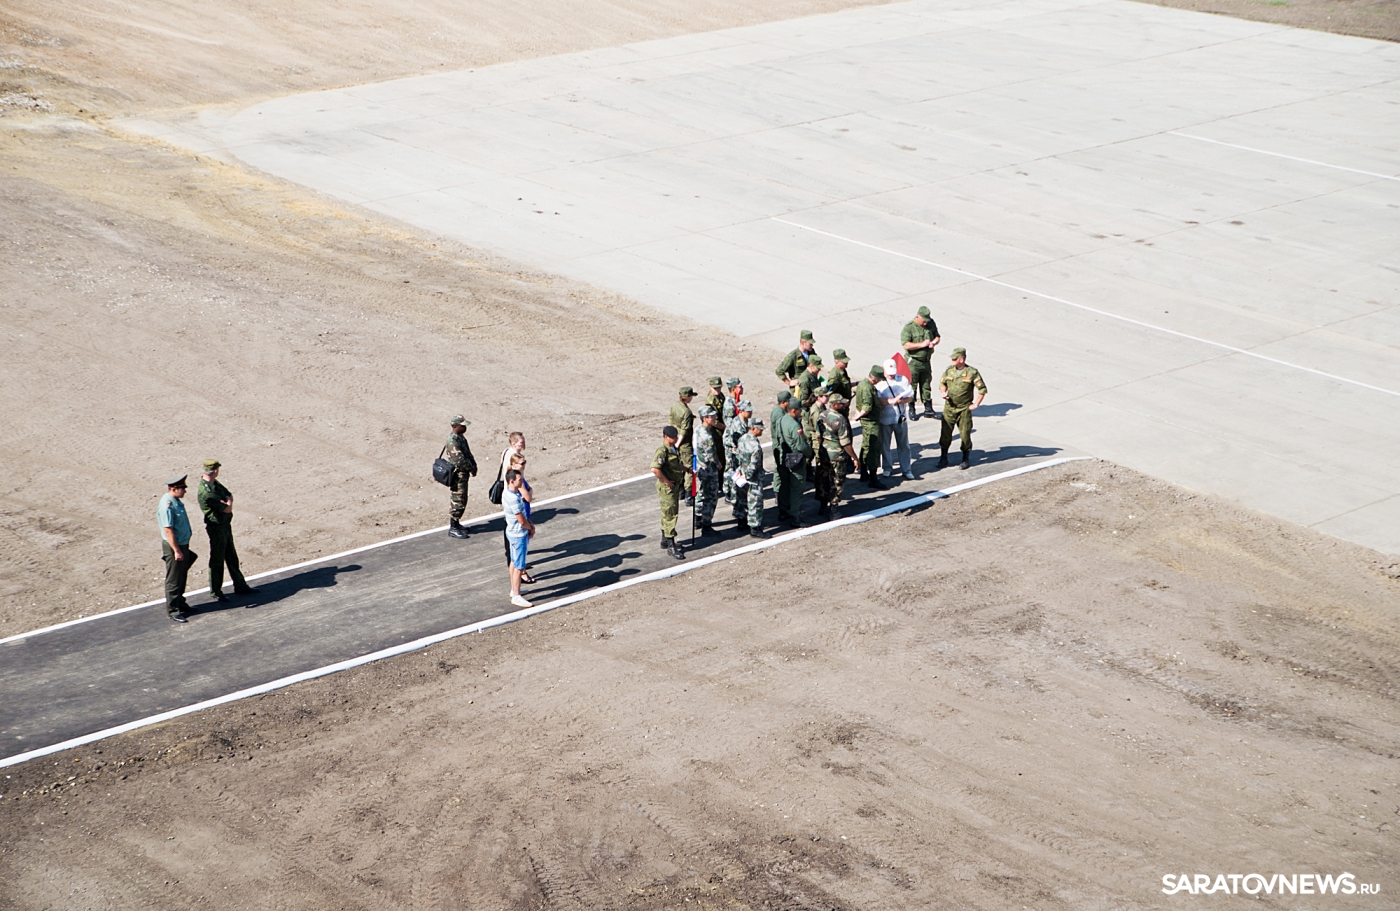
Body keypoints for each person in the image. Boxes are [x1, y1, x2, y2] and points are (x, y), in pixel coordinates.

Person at [197, 459, 257, 603]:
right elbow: (227, 507)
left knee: (231, 556)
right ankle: (216, 591)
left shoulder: (214, 484)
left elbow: (228, 494)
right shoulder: (207, 492)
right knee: (217, 560)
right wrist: (227, 502)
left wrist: (227, 501)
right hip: (216, 527)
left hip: (224, 525)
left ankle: (240, 585)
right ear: (215, 470)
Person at [939, 347, 988, 470]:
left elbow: (982, 389)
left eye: (955, 359)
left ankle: (965, 458)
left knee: (965, 435)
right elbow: (942, 383)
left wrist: (976, 404)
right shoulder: (949, 371)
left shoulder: (972, 372)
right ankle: (943, 457)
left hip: (964, 409)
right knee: (945, 434)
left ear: (961, 359)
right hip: (949, 408)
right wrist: (943, 392)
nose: (952, 361)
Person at [158, 474, 197, 623]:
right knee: (174, 579)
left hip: (182, 544)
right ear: (174, 489)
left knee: (181, 575)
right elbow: (168, 530)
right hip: (175, 546)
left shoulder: (175, 501)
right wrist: (176, 550)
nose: (185, 491)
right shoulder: (167, 505)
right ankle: (173, 610)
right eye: (183, 488)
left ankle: (180, 603)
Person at [774, 397, 813, 527]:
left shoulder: (781, 420)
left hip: (783, 457)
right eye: (799, 410)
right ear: (793, 410)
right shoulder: (795, 425)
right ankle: (795, 516)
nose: (801, 412)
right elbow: (801, 445)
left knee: (784, 486)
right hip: (795, 459)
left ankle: (782, 511)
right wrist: (810, 453)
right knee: (797, 488)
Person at [819, 393, 858, 518]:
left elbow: (818, 435)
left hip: (824, 453)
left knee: (825, 480)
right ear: (834, 405)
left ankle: (823, 506)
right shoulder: (840, 419)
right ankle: (833, 510)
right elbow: (845, 443)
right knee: (837, 482)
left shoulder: (822, 415)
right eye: (841, 403)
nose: (844, 405)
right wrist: (855, 458)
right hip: (837, 455)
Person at [501, 469, 536, 608]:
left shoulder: (508, 493)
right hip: (518, 534)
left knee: (513, 561)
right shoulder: (514, 499)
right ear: (512, 481)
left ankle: (514, 590)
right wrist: (530, 527)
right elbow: (521, 520)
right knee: (519, 566)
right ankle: (516, 595)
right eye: (519, 480)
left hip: (512, 532)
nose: (522, 482)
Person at [651, 425, 686, 559]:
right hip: (668, 489)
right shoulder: (662, 450)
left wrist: (687, 470)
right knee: (671, 515)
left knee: (667, 513)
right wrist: (666, 481)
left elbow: (676, 464)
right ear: (666, 437)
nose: (676, 439)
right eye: (673, 437)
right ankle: (671, 545)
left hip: (674, 486)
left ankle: (665, 539)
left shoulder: (672, 448)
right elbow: (655, 469)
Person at [900, 306, 941, 420]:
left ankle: (928, 409)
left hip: (926, 361)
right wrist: (922, 344)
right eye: (923, 321)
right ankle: (911, 408)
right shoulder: (909, 328)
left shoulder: (930, 323)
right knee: (912, 385)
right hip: (913, 362)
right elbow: (905, 345)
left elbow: (937, 336)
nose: (925, 324)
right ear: (917, 316)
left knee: (926, 384)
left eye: (926, 321)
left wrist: (933, 342)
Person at [877, 360, 916, 480]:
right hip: (885, 419)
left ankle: (906, 469)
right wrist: (891, 401)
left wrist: (901, 401)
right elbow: (878, 400)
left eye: (893, 373)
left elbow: (910, 396)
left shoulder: (902, 379)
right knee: (885, 445)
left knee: (904, 445)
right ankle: (887, 468)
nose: (891, 375)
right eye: (889, 373)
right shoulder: (879, 382)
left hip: (900, 418)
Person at [851, 366, 887, 489]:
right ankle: (873, 477)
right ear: (875, 378)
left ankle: (864, 473)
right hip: (871, 423)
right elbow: (867, 407)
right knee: (874, 449)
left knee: (865, 446)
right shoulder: (867, 388)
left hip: (868, 422)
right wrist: (857, 416)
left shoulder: (862, 384)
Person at [733, 418, 770, 538]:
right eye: (760, 429)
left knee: (742, 500)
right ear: (753, 428)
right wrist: (748, 476)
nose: (762, 431)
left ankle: (741, 522)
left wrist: (741, 473)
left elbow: (738, 457)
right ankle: (755, 528)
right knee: (755, 503)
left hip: (741, 476)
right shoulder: (755, 446)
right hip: (753, 478)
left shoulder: (742, 439)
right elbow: (754, 465)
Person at [445, 415, 479, 539]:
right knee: (458, 500)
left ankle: (457, 524)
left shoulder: (460, 438)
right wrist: (470, 467)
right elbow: (459, 460)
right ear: (455, 426)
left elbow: (467, 453)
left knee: (462, 499)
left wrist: (473, 465)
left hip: (463, 474)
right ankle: (453, 527)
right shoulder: (453, 441)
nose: (465, 427)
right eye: (462, 425)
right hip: (458, 475)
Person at [693, 405, 723, 536]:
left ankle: (698, 518)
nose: (715, 418)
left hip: (700, 467)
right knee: (711, 497)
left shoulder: (698, 430)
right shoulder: (707, 436)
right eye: (712, 416)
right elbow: (711, 454)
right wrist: (718, 464)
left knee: (701, 493)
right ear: (705, 418)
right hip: (709, 469)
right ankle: (706, 525)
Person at [669, 387, 697, 506]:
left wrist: (673, 443)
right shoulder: (686, 413)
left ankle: (680, 491)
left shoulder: (675, 405)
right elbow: (684, 431)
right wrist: (678, 444)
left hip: (674, 439)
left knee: (679, 465)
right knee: (689, 467)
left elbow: (671, 422)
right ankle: (689, 495)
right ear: (688, 397)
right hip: (684, 443)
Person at [723, 398, 752, 508]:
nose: (751, 412)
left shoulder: (744, 421)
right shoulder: (738, 424)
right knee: (736, 474)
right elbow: (739, 443)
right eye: (748, 410)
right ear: (742, 411)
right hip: (734, 452)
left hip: (737, 451)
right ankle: (734, 499)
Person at [769, 390, 793, 520]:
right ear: (784, 402)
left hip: (779, 444)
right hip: (779, 445)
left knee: (780, 470)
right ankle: (779, 494)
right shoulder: (779, 413)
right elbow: (781, 430)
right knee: (781, 471)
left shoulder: (780, 411)